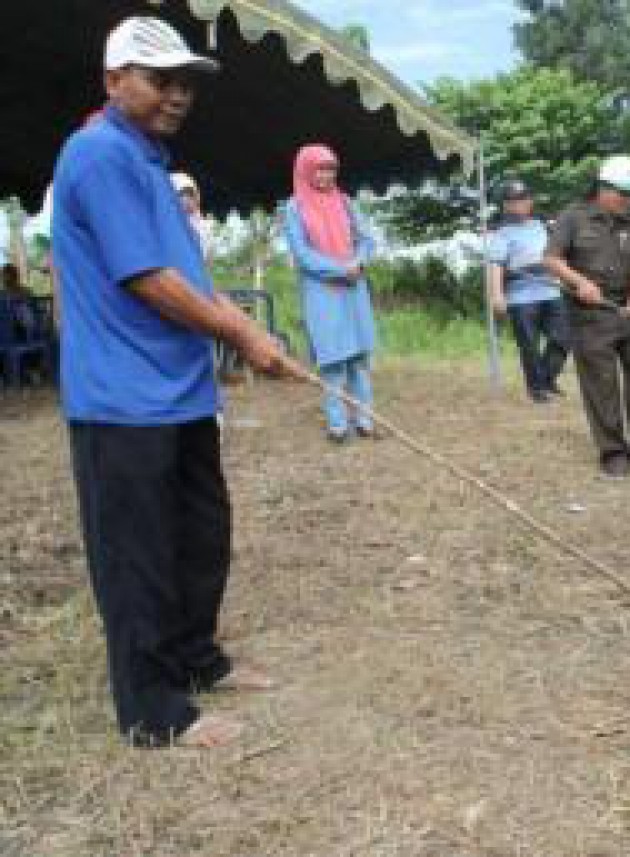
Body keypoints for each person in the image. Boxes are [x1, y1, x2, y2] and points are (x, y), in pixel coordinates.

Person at [51, 16, 301, 748]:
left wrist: (255, 337)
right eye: (160, 79)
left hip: (180, 390)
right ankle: (152, 708)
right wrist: (243, 333)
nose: (178, 94)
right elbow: (149, 279)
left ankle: (195, 657)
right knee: (138, 554)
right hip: (121, 398)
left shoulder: (149, 160)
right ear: (112, 80)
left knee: (199, 535)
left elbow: (189, 277)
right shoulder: (97, 153)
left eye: (186, 82)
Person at [544, 156, 630, 479]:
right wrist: (579, 282)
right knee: (601, 384)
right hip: (589, 313)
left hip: (629, 311)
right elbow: (551, 259)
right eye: (625, 193)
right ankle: (614, 452)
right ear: (604, 188)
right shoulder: (573, 218)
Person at [284, 144, 378, 443]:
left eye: (331, 169)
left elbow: (366, 238)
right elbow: (302, 253)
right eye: (320, 168)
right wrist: (339, 269)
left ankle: (366, 421)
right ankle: (337, 426)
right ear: (306, 170)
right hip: (322, 291)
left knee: (358, 362)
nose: (326, 175)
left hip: (353, 290)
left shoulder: (346, 202)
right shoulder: (294, 207)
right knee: (333, 361)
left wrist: (358, 261)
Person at [487, 179, 570, 404]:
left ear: (530, 201)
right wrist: (497, 295)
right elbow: (495, 265)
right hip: (521, 298)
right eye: (513, 201)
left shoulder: (541, 225)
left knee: (563, 338)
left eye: (523, 200)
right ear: (505, 206)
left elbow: (558, 255)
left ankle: (546, 379)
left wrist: (564, 279)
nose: (519, 205)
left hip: (551, 291)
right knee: (529, 346)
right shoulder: (501, 233)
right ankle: (537, 391)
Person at [171, 171, 213, 262]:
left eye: (190, 194)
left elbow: (208, 251)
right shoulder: (172, 221)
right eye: (181, 194)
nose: (187, 199)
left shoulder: (202, 221)